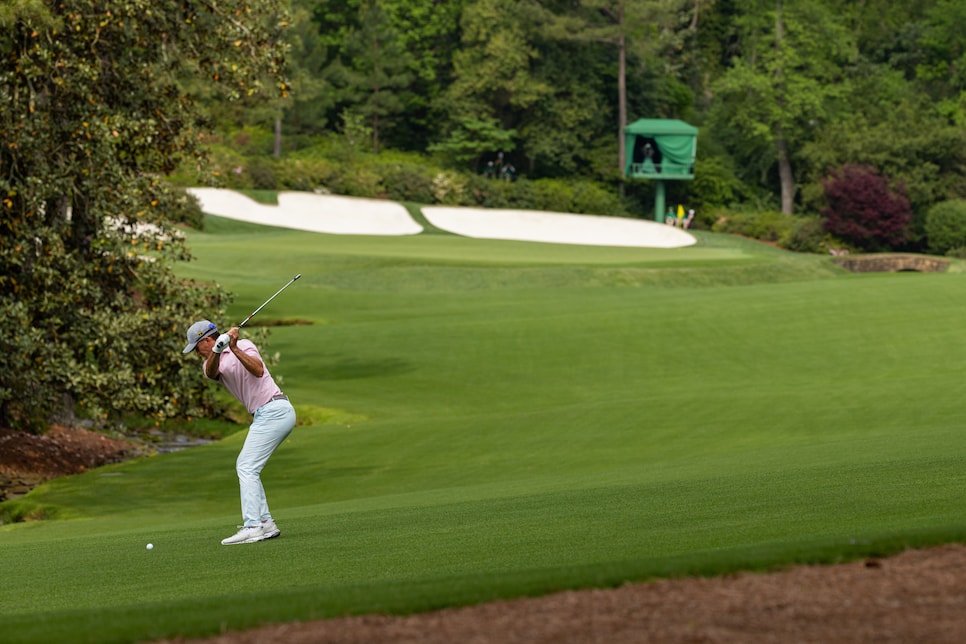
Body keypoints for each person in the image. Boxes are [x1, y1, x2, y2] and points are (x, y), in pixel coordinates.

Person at [182, 320, 296, 545]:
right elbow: (213, 371)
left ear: (206, 340)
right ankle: (265, 524)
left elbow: (258, 370)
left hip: (275, 409)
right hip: (264, 415)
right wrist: (218, 349)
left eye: (197, 347)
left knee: (246, 467)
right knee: (249, 467)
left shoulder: (244, 345)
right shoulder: (210, 364)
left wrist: (233, 347)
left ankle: (253, 527)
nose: (196, 353)